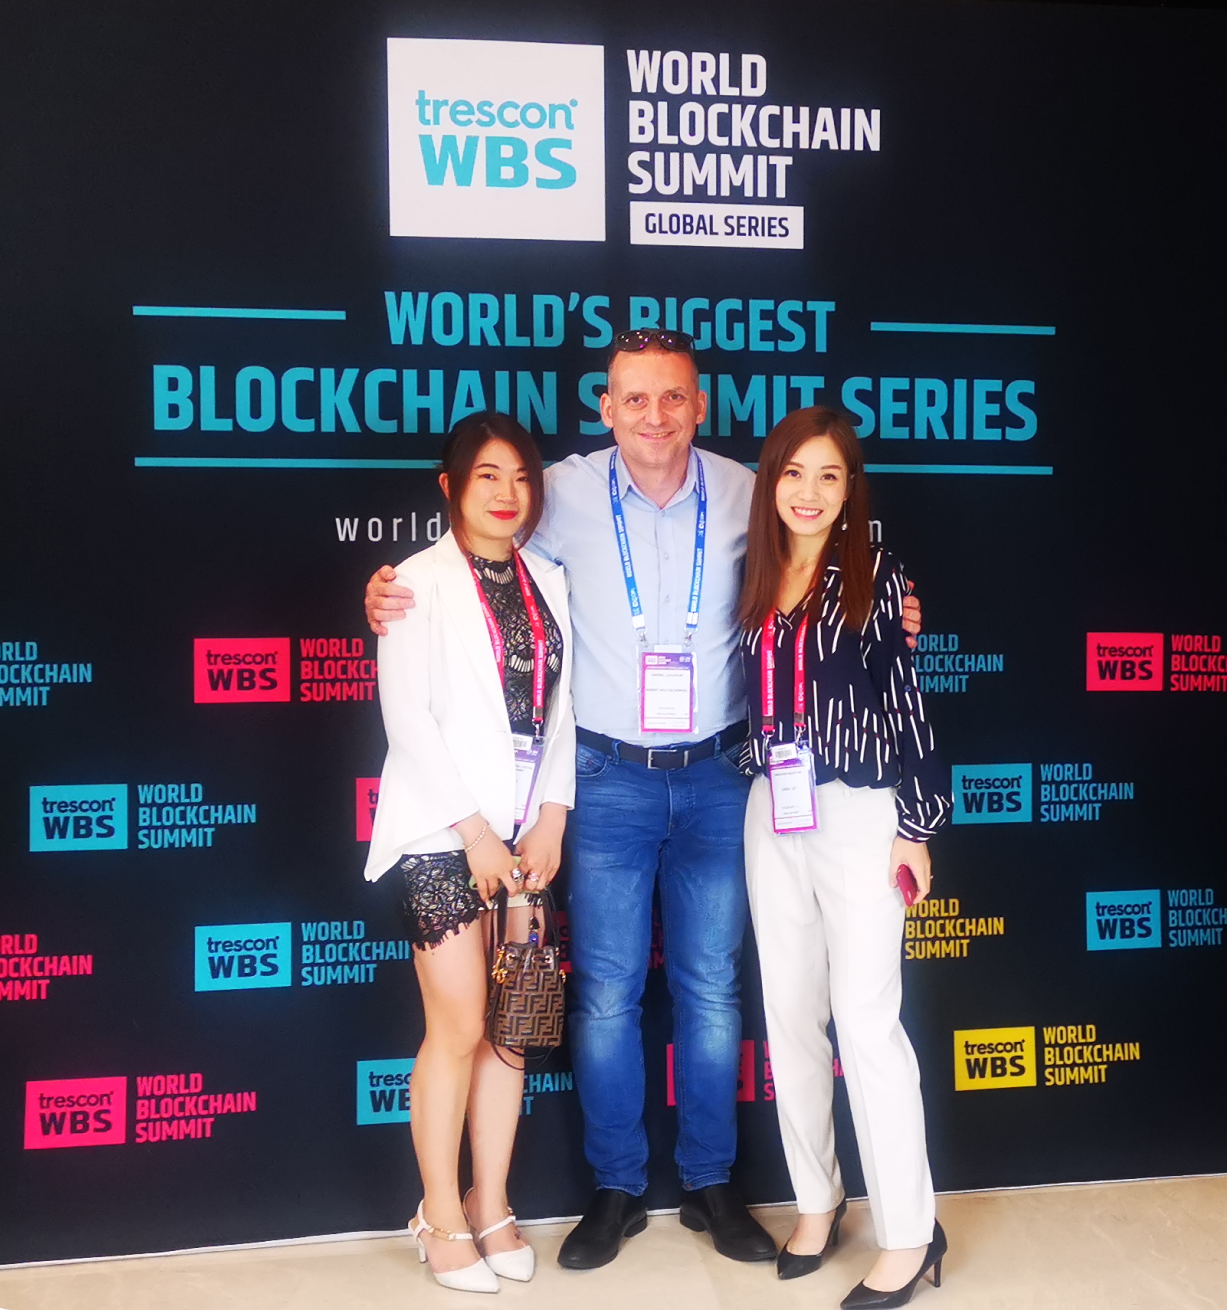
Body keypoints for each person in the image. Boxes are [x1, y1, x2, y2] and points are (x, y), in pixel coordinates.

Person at [364, 330, 926, 1270]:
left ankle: (712, 1182)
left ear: (700, 406)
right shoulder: (562, 496)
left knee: (712, 991)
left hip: (723, 778)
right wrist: (389, 592)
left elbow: (834, 554)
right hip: (607, 777)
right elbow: (472, 552)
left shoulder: (754, 486)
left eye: (673, 398)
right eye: (634, 399)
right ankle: (616, 1187)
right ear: (606, 407)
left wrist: (896, 604)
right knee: (607, 996)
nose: (654, 417)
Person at [737, 406, 949, 1309]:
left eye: (830, 475)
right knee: (790, 1013)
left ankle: (909, 1233)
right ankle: (819, 1201)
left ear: (850, 487)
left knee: (866, 1020)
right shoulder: (755, 574)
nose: (811, 493)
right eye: (794, 474)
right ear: (771, 482)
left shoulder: (879, 575)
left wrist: (919, 823)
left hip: (861, 812)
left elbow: (909, 705)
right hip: (769, 808)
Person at [364, 411, 575, 1293]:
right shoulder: (414, 582)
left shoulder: (550, 582)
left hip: (526, 834)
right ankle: (438, 1213)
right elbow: (406, 721)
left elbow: (560, 712)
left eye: (523, 478)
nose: (508, 494)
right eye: (488, 476)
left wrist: (553, 814)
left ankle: (492, 1205)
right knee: (456, 1024)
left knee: (514, 1027)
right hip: (444, 834)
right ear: (450, 488)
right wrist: (478, 834)